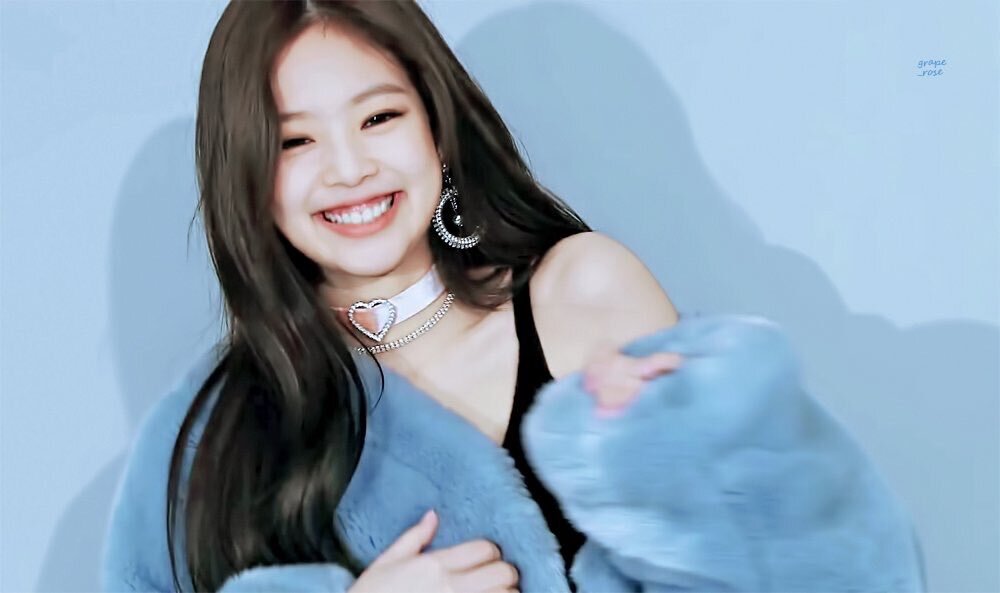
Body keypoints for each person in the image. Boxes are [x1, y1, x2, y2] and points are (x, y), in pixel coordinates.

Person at [102, 2, 925, 592]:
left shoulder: (582, 294)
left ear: (437, 127)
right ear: (251, 180)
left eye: (379, 118)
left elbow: (820, 567)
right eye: (295, 141)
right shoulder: (209, 437)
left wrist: (690, 459)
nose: (349, 167)